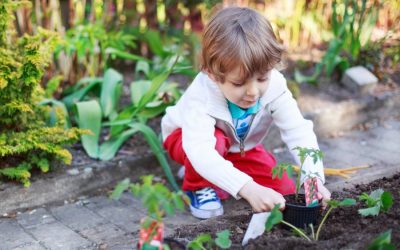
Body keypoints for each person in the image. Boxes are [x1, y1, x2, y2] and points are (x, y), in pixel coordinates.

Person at [161, 6, 331, 219]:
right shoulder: (202, 96)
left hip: (240, 147)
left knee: (284, 191)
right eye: (239, 83)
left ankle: (216, 174)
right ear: (213, 75)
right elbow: (201, 151)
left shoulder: (276, 87)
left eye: (262, 78)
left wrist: (313, 180)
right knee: (214, 144)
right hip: (186, 139)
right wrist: (249, 189)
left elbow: (298, 131)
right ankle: (197, 185)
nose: (253, 92)